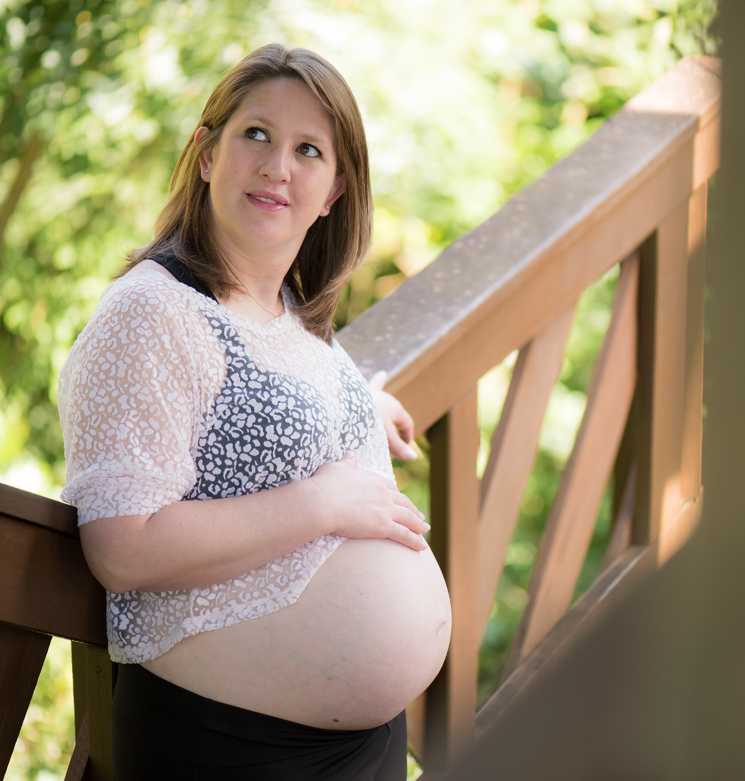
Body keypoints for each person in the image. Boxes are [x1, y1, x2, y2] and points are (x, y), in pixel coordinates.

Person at [59, 44, 452, 780]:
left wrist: (356, 404)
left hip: (356, 744)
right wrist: (322, 503)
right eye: (257, 135)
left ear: (334, 191)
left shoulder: (290, 314)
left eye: (309, 150)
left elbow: (247, 412)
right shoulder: (151, 313)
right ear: (208, 155)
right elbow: (122, 550)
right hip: (233, 747)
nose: (278, 167)